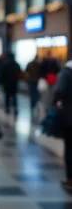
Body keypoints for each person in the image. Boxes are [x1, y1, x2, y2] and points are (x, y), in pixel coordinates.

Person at [53, 60, 72, 191]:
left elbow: (59, 90)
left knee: (70, 148)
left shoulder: (67, 72)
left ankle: (70, 179)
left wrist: (56, 102)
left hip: (70, 118)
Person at [0, 53, 21, 117]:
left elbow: (2, 74)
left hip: (7, 84)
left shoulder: (5, 65)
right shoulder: (16, 64)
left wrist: (1, 82)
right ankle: (15, 108)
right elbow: (19, 74)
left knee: (7, 97)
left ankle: (7, 108)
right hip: (14, 83)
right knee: (14, 97)